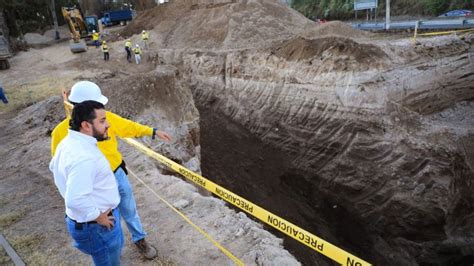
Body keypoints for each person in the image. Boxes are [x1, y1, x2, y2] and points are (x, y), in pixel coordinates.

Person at [51, 81, 172, 260]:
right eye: (101, 117)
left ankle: (139, 239)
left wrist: (152, 131)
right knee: (106, 236)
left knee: (128, 209)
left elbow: (127, 126)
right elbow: (61, 172)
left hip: (116, 174)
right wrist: (92, 213)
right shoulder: (62, 135)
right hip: (93, 187)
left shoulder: (102, 120)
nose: (107, 124)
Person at [50, 100, 124, 265]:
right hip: (97, 226)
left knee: (110, 256)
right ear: (85, 125)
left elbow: (53, 166)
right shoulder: (84, 157)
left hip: (90, 223)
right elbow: (75, 199)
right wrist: (97, 216)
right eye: (102, 120)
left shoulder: (69, 143)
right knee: (107, 260)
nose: (108, 125)